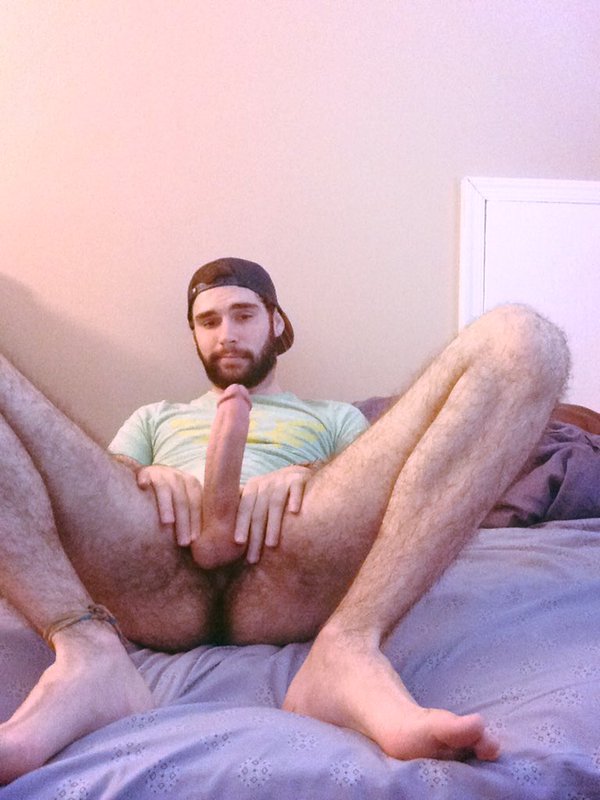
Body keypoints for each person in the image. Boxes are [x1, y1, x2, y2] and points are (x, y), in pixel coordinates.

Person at [0, 258, 569, 783]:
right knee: (128, 475)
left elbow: (384, 490)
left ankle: (347, 643)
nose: (226, 333)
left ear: (276, 322)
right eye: (208, 321)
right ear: (193, 335)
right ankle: (88, 649)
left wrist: (313, 472)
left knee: (524, 339)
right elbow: (94, 489)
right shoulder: (156, 417)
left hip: (290, 547)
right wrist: (141, 474)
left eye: (244, 315)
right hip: (157, 551)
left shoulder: (333, 417)